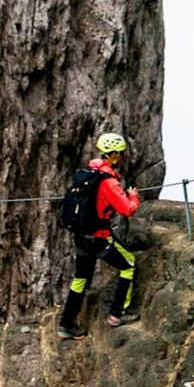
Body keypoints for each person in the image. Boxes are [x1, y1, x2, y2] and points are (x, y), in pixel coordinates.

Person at [58, 132, 142, 340]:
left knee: (80, 279)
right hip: (100, 237)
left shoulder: (87, 173)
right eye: (120, 153)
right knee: (128, 265)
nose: (122, 157)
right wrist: (133, 196)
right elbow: (126, 209)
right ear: (112, 155)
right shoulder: (108, 182)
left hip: (81, 236)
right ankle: (117, 314)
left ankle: (66, 324)